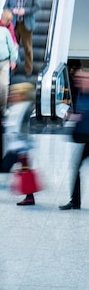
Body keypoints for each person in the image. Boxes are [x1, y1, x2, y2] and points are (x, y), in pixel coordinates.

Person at [60, 71, 89, 210]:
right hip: (85, 138)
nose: (79, 81)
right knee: (76, 168)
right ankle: (75, 201)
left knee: (77, 167)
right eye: (77, 78)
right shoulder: (79, 94)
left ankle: (75, 201)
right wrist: (71, 115)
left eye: (82, 78)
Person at [5, 82, 37, 205]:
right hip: (16, 145)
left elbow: (20, 127)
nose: (13, 96)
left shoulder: (25, 107)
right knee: (24, 170)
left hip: (21, 146)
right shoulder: (17, 107)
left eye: (16, 94)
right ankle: (28, 195)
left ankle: (29, 197)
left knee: (22, 170)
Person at [4, 0, 41, 76]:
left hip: (26, 25)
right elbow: (5, 7)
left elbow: (37, 7)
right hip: (14, 25)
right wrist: (13, 10)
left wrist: (25, 11)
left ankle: (28, 69)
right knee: (12, 48)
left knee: (27, 48)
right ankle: (13, 68)